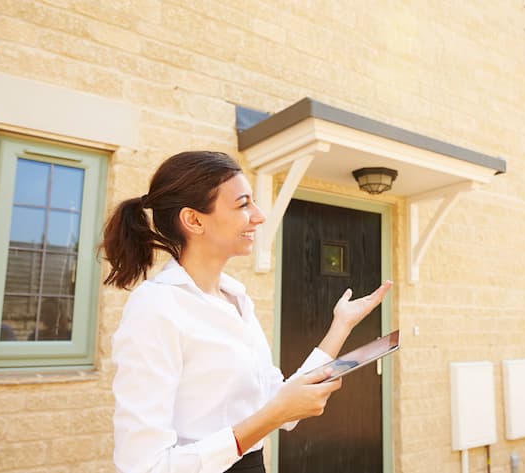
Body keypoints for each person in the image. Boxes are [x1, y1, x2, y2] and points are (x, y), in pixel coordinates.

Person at [102, 151, 392, 473]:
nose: (259, 215)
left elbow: (277, 400)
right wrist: (272, 416)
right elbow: (145, 467)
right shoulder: (156, 308)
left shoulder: (236, 298)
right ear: (194, 220)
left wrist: (342, 326)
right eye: (243, 204)